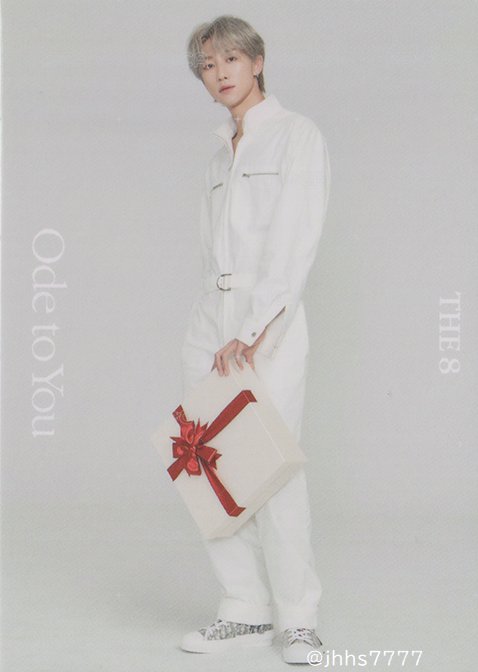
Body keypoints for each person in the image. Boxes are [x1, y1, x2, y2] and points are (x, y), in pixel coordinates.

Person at [179, 15, 331, 665]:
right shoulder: (220, 154)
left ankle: (297, 619)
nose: (220, 74)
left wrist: (249, 332)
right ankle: (243, 608)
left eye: (231, 59)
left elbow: (295, 243)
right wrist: (210, 329)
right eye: (208, 66)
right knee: (207, 464)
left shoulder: (297, 136)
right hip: (208, 320)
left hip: (267, 322)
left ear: (258, 61)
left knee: (272, 467)